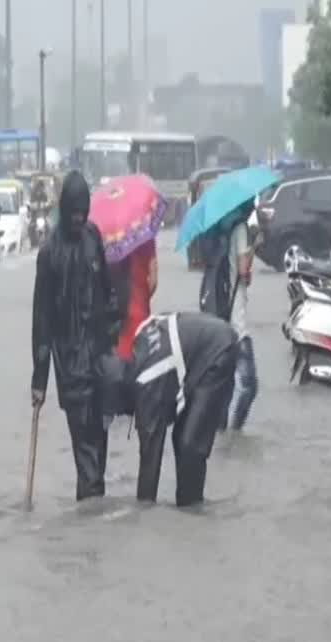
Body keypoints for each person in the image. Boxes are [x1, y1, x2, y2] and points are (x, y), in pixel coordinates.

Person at [31, 170, 122, 501]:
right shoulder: (48, 255)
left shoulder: (93, 237)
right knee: (85, 450)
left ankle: (93, 512)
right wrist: (39, 379)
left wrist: (114, 327)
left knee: (99, 443)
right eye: (73, 213)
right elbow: (41, 320)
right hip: (70, 367)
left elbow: (109, 290)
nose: (78, 219)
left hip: (99, 358)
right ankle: (91, 512)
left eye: (83, 213)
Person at [102, 312, 239, 507]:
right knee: (181, 438)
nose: (120, 415)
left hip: (219, 351)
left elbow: (150, 457)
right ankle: (187, 511)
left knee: (189, 444)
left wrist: (142, 512)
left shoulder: (148, 382)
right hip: (206, 340)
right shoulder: (139, 345)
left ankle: (193, 513)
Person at [223, 203, 257, 432]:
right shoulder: (242, 230)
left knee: (225, 383)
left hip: (223, 318)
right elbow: (245, 273)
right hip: (237, 323)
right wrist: (255, 246)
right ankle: (234, 432)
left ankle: (219, 431)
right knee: (249, 385)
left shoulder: (227, 230)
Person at [114, 239, 159, 361]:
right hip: (141, 308)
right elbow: (154, 281)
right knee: (143, 356)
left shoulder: (110, 238)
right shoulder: (145, 237)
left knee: (121, 352)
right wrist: (144, 297)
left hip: (117, 309)